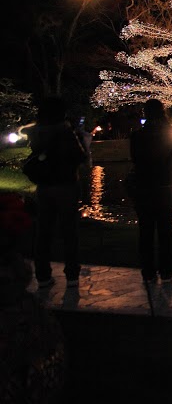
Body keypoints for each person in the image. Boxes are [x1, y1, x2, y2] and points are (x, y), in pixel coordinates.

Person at [25, 97, 87, 288]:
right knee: (69, 231)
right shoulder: (66, 132)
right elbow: (80, 156)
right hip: (66, 185)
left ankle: (43, 275)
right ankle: (72, 274)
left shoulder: (36, 133)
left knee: (43, 231)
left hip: (44, 187)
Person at [129, 99, 172, 283]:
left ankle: (148, 271)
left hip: (144, 186)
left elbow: (135, 158)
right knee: (166, 231)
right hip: (165, 186)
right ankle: (166, 271)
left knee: (146, 231)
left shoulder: (137, 136)